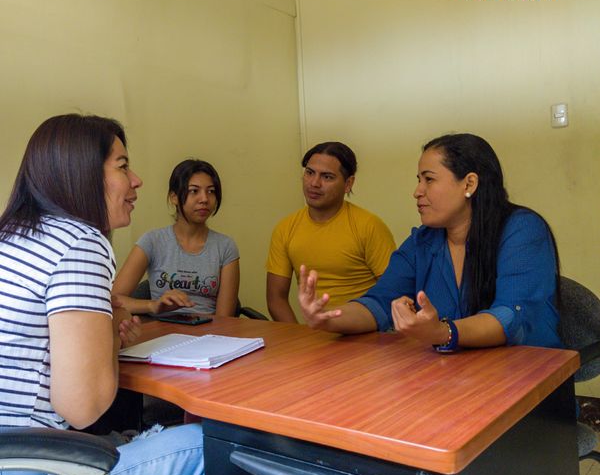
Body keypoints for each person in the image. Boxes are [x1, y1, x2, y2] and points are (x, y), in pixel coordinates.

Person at [0, 114, 205, 475]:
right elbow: (83, 407)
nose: (136, 180)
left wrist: (105, 330)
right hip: (18, 468)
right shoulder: (80, 242)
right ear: (82, 174)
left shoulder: (11, 234)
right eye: (123, 166)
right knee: (204, 451)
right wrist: (109, 333)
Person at [298, 133, 562, 350]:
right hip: (455, 377)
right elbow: (379, 303)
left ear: (469, 184)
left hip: (528, 380)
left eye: (429, 179)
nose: (417, 191)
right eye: (418, 180)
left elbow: (511, 316)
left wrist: (442, 332)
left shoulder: (522, 229)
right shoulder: (423, 240)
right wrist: (328, 318)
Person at [267, 141, 396, 323]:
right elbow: (276, 299)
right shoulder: (285, 228)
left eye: (327, 177)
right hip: (313, 332)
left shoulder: (369, 226)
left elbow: (394, 292)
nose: (314, 183)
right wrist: (299, 334)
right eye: (309, 173)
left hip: (364, 330)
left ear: (348, 183)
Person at [112, 159, 239, 317]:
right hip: (161, 329)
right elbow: (114, 299)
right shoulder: (152, 241)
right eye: (194, 191)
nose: (204, 199)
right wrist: (153, 305)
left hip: (210, 329)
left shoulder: (225, 247)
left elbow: (225, 319)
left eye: (211, 191)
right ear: (174, 197)